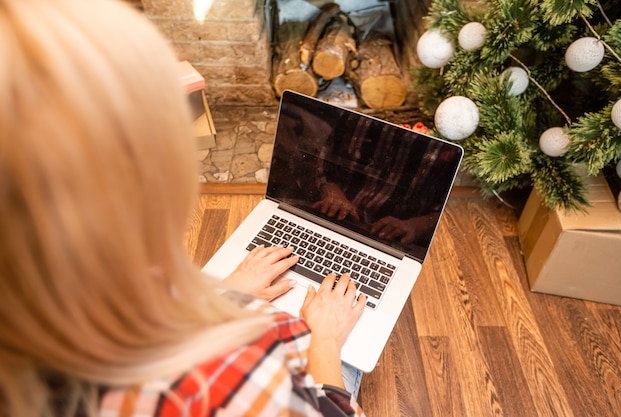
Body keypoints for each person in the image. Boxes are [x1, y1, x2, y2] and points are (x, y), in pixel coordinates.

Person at [0, 1, 367, 416]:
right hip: (289, 374)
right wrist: (325, 342)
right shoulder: (232, 383)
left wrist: (229, 294)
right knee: (351, 342)